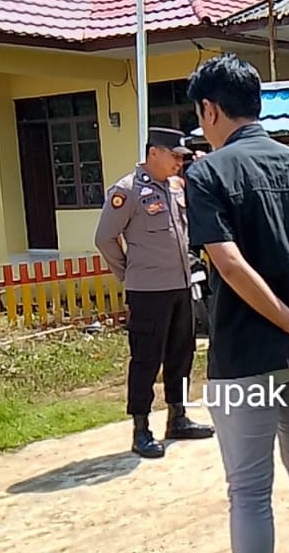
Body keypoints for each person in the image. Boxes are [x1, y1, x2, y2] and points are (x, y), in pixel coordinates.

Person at [183, 54, 289, 553]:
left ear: (210, 109)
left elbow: (230, 265)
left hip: (243, 355)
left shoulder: (207, 174)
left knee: (250, 492)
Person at [94, 127, 215, 459]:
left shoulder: (175, 188)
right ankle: (141, 428)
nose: (179, 162)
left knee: (182, 352)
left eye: (182, 157)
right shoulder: (127, 190)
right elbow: (104, 238)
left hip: (180, 285)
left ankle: (178, 417)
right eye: (174, 156)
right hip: (147, 290)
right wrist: (128, 272)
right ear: (153, 153)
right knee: (147, 359)